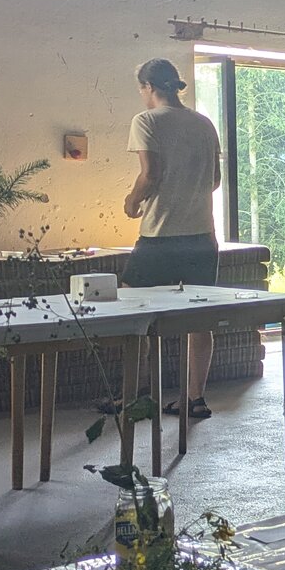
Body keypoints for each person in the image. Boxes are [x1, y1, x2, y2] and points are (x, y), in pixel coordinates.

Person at [122, 58, 223, 419]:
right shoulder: (204, 123)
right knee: (199, 319)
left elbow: (151, 173)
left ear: (148, 87)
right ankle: (194, 398)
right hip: (202, 236)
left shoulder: (146, 121)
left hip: (160, 236)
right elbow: (215, 180)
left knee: (132, 310)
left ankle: (135, 395)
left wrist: (132, 201)